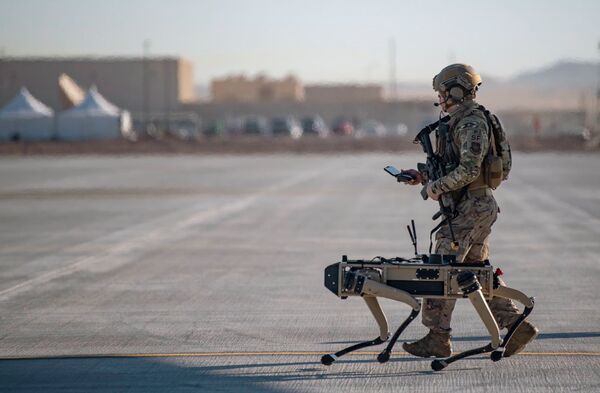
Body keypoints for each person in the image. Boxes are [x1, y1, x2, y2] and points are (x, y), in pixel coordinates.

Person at [400, 64, 538, 358]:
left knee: (442, 268)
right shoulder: (460, 121)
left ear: (457, 90)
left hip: (472, 207)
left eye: (442, 92)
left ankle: (438, 337)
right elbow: (455, 168)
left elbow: (469, 170)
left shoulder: (471, 123)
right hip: (471, 207)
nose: (439, 98)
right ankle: (516, 326)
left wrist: (434, 188)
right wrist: (423, 176)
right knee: (474, 273)